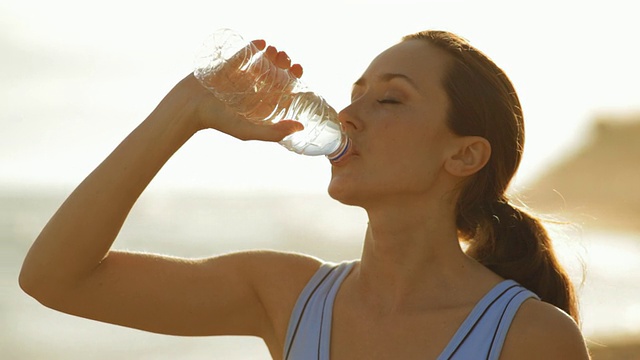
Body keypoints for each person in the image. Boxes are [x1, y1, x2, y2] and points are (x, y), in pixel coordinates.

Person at [19, 30, 591, 359]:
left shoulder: (528, 337)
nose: (347, 116)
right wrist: (185, 108)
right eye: (353, 94)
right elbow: (54, 279)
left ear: (464, 155)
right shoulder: (289, 297)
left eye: (389, 99)